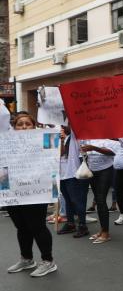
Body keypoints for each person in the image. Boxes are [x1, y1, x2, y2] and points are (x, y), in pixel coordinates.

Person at [6, 112, 57, 277]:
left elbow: (57, 156)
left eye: (27, 124)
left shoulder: (44, 139)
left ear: (34, 126)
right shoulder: (6, 142)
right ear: (14, 127)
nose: (24, 127)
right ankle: (27, 258)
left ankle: (48, 261)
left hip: (36, 192)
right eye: (20, 124)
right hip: (14, 192)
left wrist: (60, 138)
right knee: (21, 226)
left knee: (37, 226)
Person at [80, 139, 116, 244]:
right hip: (92, 171)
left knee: (101, 200)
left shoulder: (107, 136)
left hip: (105, 170)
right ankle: (102, 229)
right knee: (98, 200)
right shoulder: (88, 137)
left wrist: (94, 148)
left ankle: (106, 233)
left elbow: (112, 152)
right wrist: (84, 150)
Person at [57, 125, 90, 238]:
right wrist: (60, 140)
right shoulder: (62, 139)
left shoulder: (76, 137)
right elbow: (60, 154)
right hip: (61, 174)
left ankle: (82, 225)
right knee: (67, 199)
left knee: (76, 200)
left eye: (66, 124)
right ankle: (70, 223)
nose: (63, 127)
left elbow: (82, 155)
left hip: (73, 174)